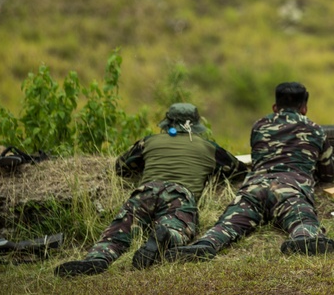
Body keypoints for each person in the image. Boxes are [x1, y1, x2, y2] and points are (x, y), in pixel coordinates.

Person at [54, 103, 248, 277]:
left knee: (119, 230)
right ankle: (165, 237)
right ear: (196, 125)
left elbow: (121, 167)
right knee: (176, 226)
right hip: (179, 194)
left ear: (167, 123)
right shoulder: (208, 147)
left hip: (145, 191)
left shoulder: (149, 141)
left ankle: (97, 259)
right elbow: (239, 170)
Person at [171, 82, 334, 260]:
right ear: (304, 108)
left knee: (228, 224)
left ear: (275, 107)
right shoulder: (314, 128)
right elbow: (328, 174)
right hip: (290, 189)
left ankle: (206, 244)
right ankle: (303, 239)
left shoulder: (259, 125)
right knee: (303, 221)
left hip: (254, 188)